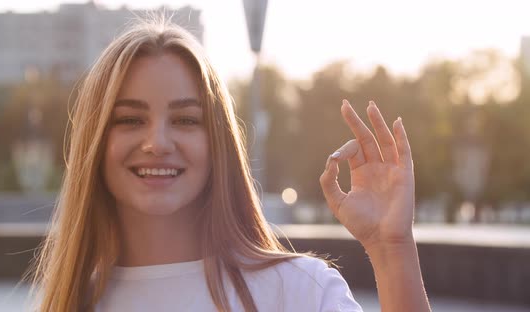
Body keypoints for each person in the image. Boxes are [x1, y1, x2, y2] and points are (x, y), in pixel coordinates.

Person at [29, 18, 431, 312]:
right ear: (95, 143)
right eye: (130, 120)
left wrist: (390, 249)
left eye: (186, 120)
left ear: (218, 142)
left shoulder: (299, 293)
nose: (157, 143)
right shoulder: (69, 303)